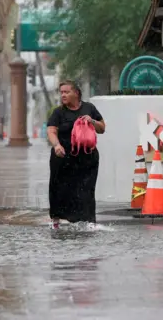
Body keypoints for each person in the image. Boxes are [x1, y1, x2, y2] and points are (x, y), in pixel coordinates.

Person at [46, 80, 106, 230]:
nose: (63, 95)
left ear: (76, 93)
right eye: (61, 92)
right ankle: (56, 219)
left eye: (67, 92)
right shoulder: (58, 112)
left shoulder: (89, 108)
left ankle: (88, 221)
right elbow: (51, 131)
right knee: (59, 188)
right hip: (63, 157)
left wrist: (91, 120)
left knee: (86, 189)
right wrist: (56, 145)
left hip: (86, 157)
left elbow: (102, 128)